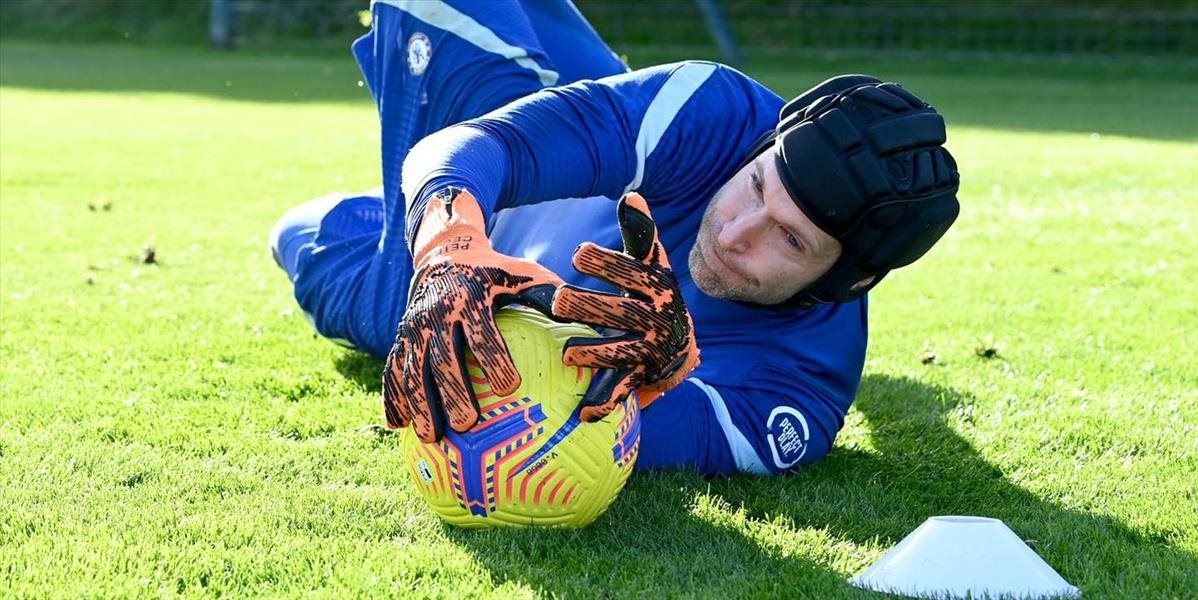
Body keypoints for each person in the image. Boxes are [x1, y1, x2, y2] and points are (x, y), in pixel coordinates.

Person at [270, 0, 960, 477]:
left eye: (788, 238)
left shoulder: (796, 393)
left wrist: (655, 384)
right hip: (534, 164)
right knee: (466, 170)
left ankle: (401, 223)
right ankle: (431, 222)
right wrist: (449, 249)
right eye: (754, 188)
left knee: (297, 236)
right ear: (760, 146)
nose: (736, 231)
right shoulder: (716, 115)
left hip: (466, 269)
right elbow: (469, 148)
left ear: (847, 283)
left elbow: (561, 428)